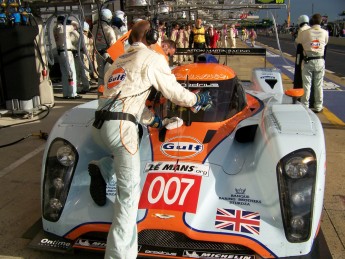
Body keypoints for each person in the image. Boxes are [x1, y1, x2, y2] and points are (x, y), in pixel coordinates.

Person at [88, 20, 213, 259]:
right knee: (128, 197)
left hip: (101, 127)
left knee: (135, 147)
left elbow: (127, 101)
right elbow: (174, 92)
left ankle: (103, 167)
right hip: (122, 130)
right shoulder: (153, 59)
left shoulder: (117, 62)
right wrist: (197, 101)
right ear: (153, 37)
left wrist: (157, 122)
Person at [295, 13, 329, 113]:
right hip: (320, 61)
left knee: (306, 85)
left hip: (307, 61)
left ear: (311, 22)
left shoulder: (305, 32)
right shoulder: (325, 32)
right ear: (321, 22)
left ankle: (305, 105)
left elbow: (298, 41)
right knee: (318, 85)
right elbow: (325, 42)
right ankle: (318, 106)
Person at [53, 15, 81, 99]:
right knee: (71, 73)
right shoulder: (64, 28)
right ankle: (73, 93)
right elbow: (76, 25)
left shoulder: (55, 28)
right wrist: (69, 21)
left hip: (60, 53)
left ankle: (65, 94)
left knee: (64, 74)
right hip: (67, 52)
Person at [92, 8, 117, 88]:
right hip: (107, 55)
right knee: (108, 74)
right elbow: (113, 44)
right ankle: (106, 93)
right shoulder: (109, 29)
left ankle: (100, 93)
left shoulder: (94, 28)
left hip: (98, 54)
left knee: (101, 75)